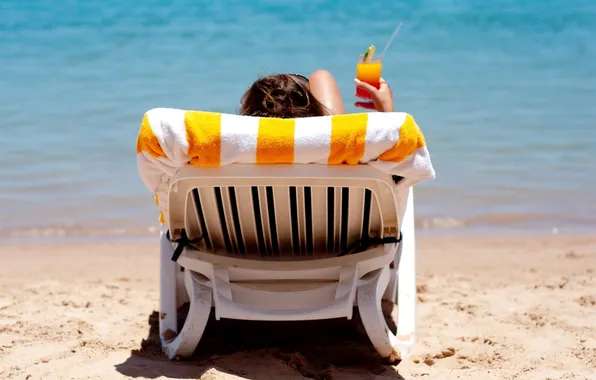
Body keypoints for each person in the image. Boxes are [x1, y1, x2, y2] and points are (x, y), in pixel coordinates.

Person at [239, 70, 394, 118]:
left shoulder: (235, 156)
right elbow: (399, 169)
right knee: (321, 75)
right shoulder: (339, 151)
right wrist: (387, 113)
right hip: (334, 196)